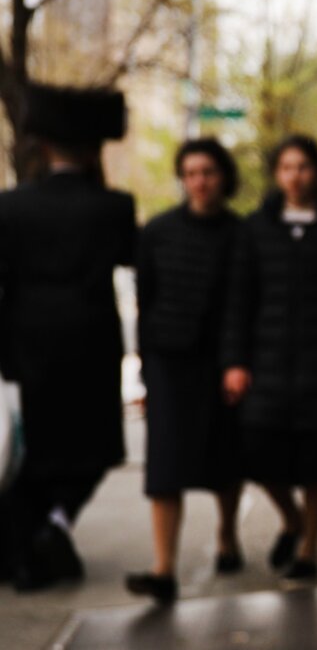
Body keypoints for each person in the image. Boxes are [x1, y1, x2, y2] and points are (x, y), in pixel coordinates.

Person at [222, 135, 317, 582]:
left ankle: (310, 547)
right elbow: (239, 300)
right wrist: (234, 361)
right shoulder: (256, 229)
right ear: (276, 174)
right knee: (257, 455)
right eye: (287, 167)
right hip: (266, 366)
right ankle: (291, 520)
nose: (296, 176)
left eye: (304, 166)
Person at [0, 85, 136, 591]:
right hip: (91, 342)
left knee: (35, 451)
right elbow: (133, 260)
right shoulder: (114, 206)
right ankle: (46, 534)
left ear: (42, 146)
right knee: (92, 448)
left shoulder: (12, 207)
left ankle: (34, 543)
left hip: (28, 342)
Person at [124, 139, 247, 605]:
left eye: (208, 172)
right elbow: (145, 301)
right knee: (165, 468)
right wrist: (144, 369)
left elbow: (243, 305)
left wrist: (236, 362)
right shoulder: (157, 232)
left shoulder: (241, 234)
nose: (199, 181)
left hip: (220, 364)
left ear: (223, 177)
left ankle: (227, 535)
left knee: (223, 461)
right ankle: (163, 569)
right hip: (168, 363)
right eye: (191, 173)